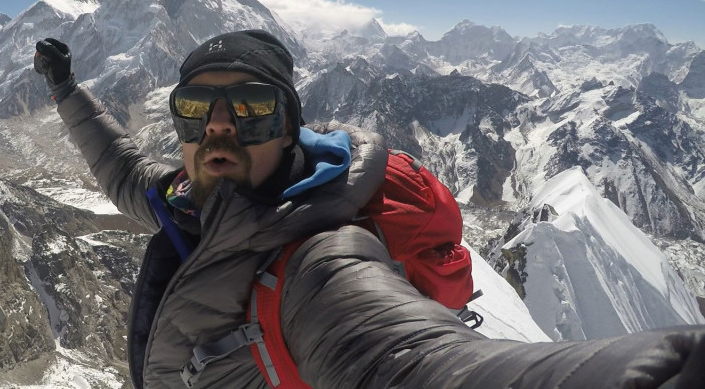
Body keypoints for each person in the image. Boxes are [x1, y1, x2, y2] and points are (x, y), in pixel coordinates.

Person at [34, 29, 704, 389]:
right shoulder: (197, 203)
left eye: (250, 108)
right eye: (194, 110)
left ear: (290, 124)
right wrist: (66, 91)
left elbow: (415, 362)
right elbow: (124, 171)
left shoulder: (321, 264)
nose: (218, 128)